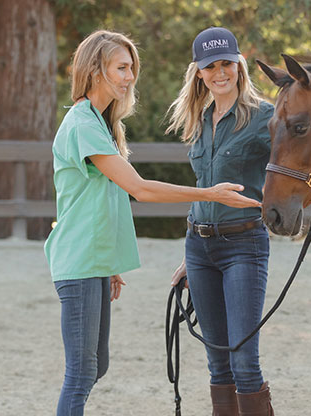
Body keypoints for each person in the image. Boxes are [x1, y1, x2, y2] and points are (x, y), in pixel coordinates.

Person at [44, 30, 260, 416]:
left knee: (97, 366)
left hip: (93, 260)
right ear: (96, 70)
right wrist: (210, 194)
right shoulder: (82, 124)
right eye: (122, 68)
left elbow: (104, 202)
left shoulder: (101, 122)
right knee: (80, 374)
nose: (130, 78)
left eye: (131, 69)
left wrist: (109, 263)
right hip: (77, 261)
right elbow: (139, 189)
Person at [165, 27, 276, 416]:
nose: (219, 72)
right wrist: (187, 254)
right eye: (210, 66)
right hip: (199, 248)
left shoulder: (265, 117)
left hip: (244, 245)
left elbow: (299, 156)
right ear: (198, 72)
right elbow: (201, 188)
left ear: (239, 65)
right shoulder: (199, 119)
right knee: (217, 363)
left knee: (244, 359)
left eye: (226, 63)